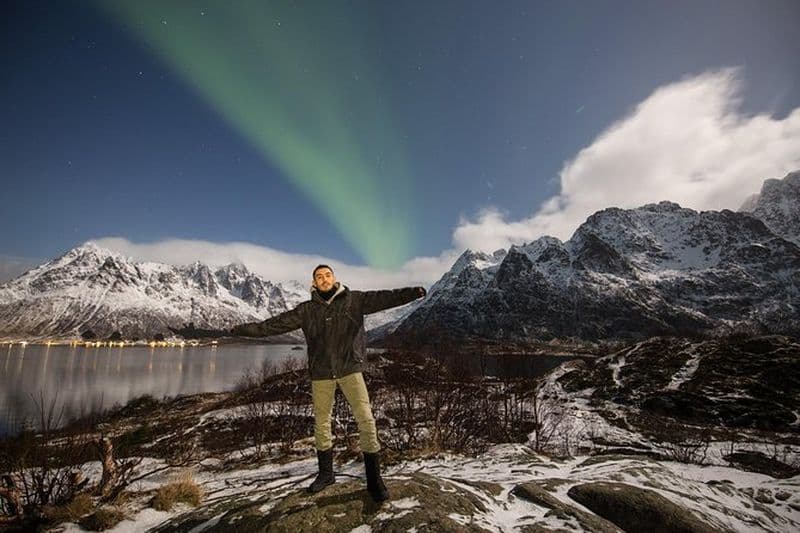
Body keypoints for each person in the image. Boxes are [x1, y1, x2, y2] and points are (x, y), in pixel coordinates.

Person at [169, 264, 426, 502]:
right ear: (313, 283)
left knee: (366, 420)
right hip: (322, 374)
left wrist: (412, 293)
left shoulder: (355, 300)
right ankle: (326, 474)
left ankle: (374, 480)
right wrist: (240, 330)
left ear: (334, 278)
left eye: (327, 275)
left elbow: (386, 298)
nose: (324, 279)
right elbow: (273, 326)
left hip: (351, 369)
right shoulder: (306, 310)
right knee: (322, 423)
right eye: (319, 277)